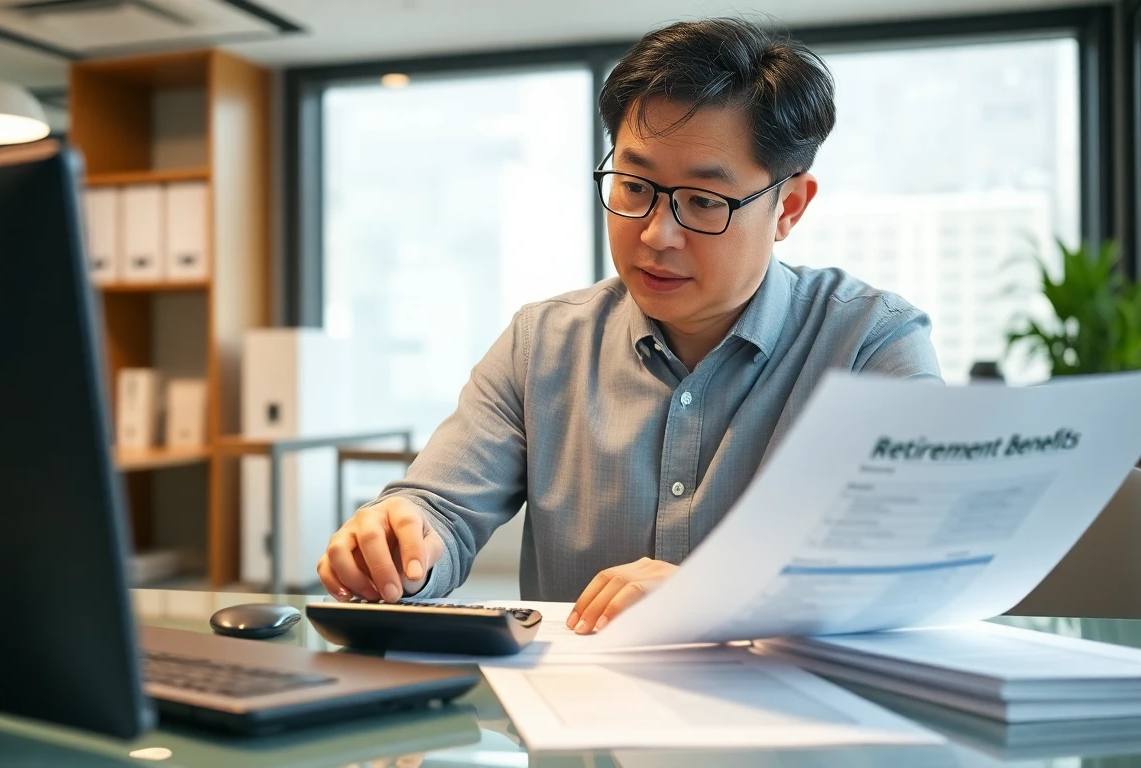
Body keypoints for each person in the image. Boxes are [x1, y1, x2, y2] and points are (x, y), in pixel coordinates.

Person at [316, 18, 942, 635]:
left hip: (798, 722)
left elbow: (926, 552)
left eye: (703, 201)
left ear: (789, 207)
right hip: (575, 722)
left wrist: (724, 596)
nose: (655, 234)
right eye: (635, 185)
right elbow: (441, 510)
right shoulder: (542, 345)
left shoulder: (869, 342)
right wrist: (399, 542)